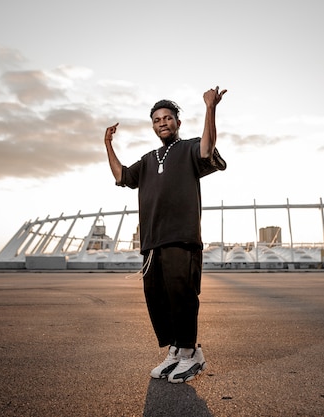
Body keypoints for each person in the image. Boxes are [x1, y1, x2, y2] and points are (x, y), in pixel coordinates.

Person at [103, 86, 227, 383]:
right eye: (157, 119)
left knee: (182, 296)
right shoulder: (148, 159)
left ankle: (190, 354)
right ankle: (175, 350)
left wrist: (210, 107)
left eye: (168, 118)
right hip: (152, 241)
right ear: (153, 125)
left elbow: (207, 150)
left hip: (181, 238)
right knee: (157, 299)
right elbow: (121, 176)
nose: (163, 122)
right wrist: (107, 143)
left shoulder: (188, 149)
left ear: (177, 123)